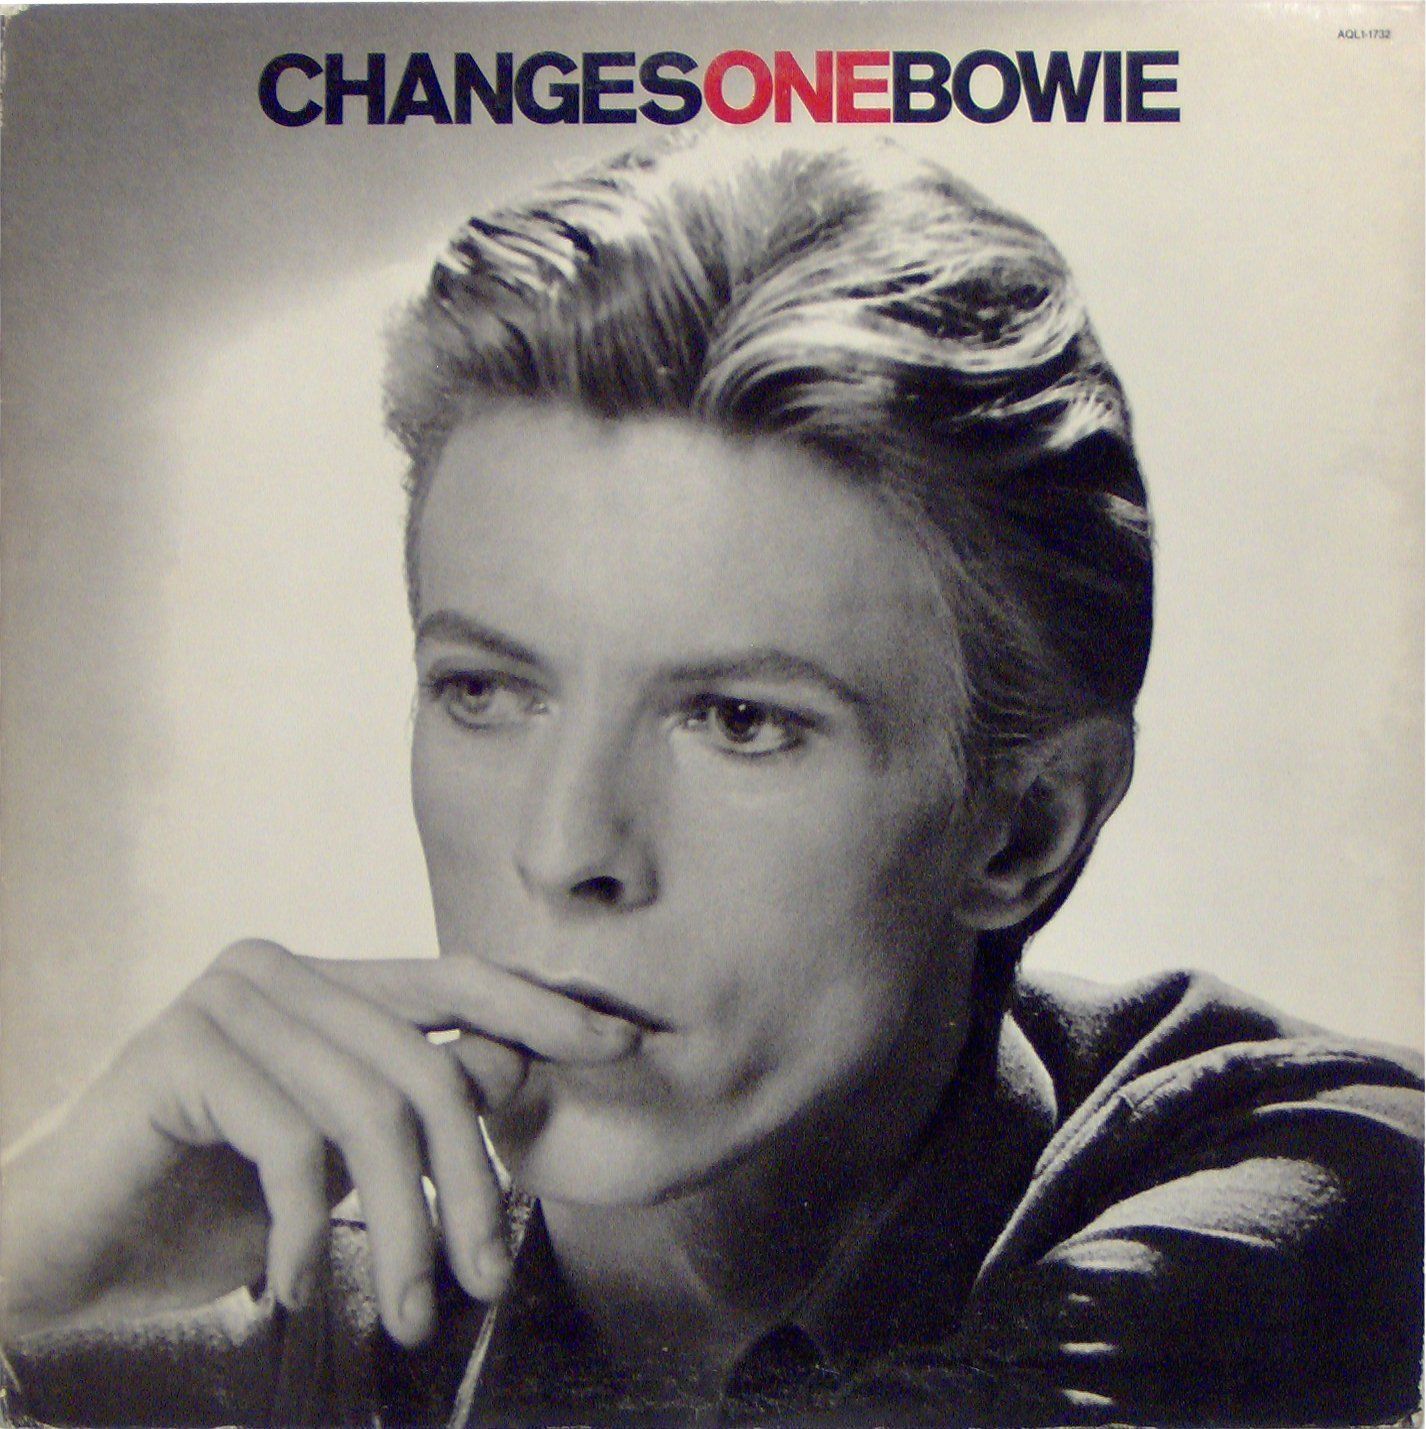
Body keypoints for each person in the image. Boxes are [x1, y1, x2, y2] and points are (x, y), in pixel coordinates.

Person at [1, 135, 1420, 1429]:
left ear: (1027, 827)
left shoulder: (1315, 1185)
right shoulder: (294, 1270)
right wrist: (27, 1254)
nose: (565, 848)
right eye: (487, 690)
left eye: (739, 720)